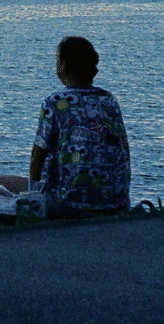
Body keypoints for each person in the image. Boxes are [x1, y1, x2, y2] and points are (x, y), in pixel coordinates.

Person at [30, 36, 131, 218]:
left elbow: (38, 157)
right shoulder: (109, 101)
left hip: (69, 205)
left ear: (64, 66)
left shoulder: (54, 102)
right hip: (116, 204)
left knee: (5, 183)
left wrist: (32, 195)